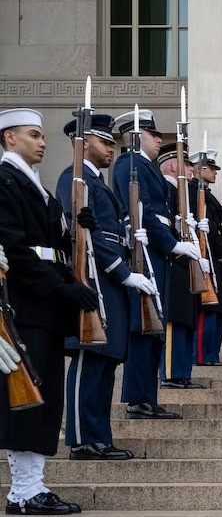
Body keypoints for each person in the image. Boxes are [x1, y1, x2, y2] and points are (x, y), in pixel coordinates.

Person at [0, 108, 87, 514]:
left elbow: (49, 238)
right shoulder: (5, 180)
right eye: (34, 135)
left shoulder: (32, 183)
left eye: (42, 135)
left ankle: (31, 488)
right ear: (9, 138)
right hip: (26, 303)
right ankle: (23, 491)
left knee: (45, 397)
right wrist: (61, 287)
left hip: (44, 305)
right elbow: (15, 249)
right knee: (29, 399)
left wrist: (73, 222)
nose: (43, 142)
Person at [56, 113, 158, 459]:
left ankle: (99, 436)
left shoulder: (97, 182)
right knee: (90, 362)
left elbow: (111, 231)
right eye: (103, 142)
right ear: (82, 143)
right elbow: (87, 235)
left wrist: (133, 238)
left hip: (111, 284)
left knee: (105, 364)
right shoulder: (75, 177)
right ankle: (84, 439)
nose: (110, 148)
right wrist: (122, 270)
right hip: (95, 280)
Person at [112, 109, 200, 419]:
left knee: (154, 329)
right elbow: (143, 212)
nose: (158, 140)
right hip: (145, 250)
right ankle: (138, 399)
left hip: (157, 251)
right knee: (144, 327)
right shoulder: (129, 164)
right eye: (153, 135)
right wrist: (172, 243)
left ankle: (146, 396)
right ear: (137, 137)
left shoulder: (144, 166)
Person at [156, 142, 206, 387]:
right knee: (175, 319)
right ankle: (170, 372)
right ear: (174, 165)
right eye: (187, 163)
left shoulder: (182, 192)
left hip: (186, 262)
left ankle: (182, 373)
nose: (192, 168)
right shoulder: (166, 189)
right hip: (173, 263)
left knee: (186, 318)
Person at [188, 149, 222, 366]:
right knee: (207, 310)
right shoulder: (193, 192)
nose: (216, 173)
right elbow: (204, 230)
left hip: (215, 257)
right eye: (212, 168)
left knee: (217, 311)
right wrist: (221, 254)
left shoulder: (208, 194)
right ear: (198, 170)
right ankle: (201, 356)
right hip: (207, 256)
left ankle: (212, 354)